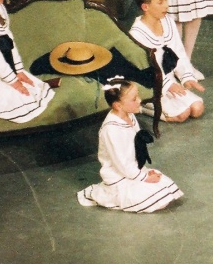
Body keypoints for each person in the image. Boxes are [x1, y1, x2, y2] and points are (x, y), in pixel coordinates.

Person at [77, 79, 184, 212]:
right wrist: (144, 177)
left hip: (132, 170)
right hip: (119, 176)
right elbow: (121, 163)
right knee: (157, 199)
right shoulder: (111, 130)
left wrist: (143, 172)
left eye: (137, 96)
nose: (139, 100)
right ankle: (108, 194)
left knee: (164, 185)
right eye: (134, 99)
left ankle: (139, 183)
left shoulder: (130, 115)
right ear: (118, 106)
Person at [129, 0, 205, 123]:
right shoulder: (137, 33)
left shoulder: (168, 22)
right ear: (145, 7)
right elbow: (144, 70)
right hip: (151, 85)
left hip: (169, 81)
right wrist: (167, 85)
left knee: (197, 108)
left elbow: (178, 52)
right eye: (160, 2)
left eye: (166, 0)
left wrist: (186, 77)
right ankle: (142, 106)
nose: (166, 6)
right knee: (182, 115)